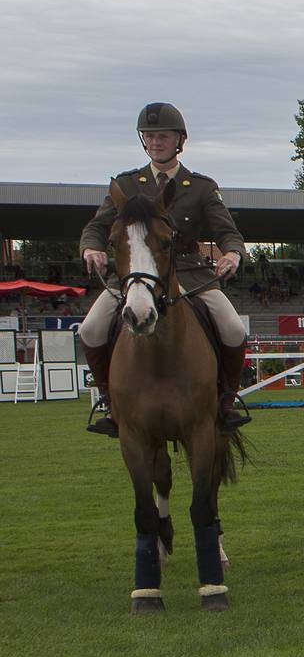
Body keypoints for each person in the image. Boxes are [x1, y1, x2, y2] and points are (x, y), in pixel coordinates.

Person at [78, 102, 252, 437]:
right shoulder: (126, 185)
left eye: (163, 136)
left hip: (189, 274)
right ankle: (110, 402)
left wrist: (232, 253)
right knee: (91, 329)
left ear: (179, 140)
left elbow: (227, 231)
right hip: (134, 276)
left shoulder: (200, 187)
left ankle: (227, 400)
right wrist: (92, 248)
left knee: (232, 328)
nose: (156, 142)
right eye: (150, 136)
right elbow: (97, 226)